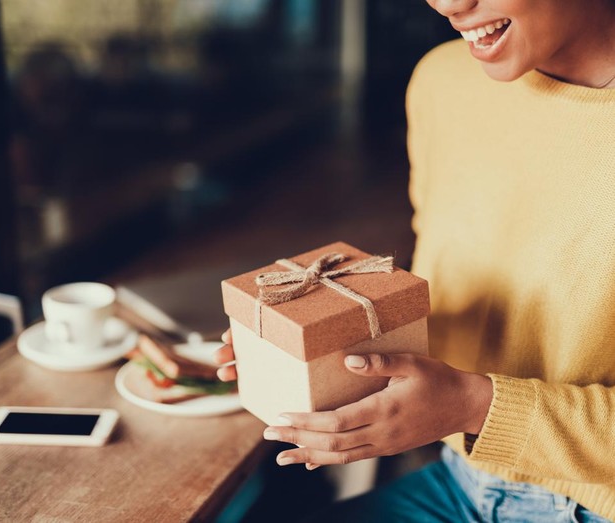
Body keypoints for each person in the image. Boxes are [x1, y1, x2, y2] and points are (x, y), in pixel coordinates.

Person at [215, 0, 615, 520]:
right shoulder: (444, 80)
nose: (449, 4)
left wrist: (474, 404)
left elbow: (470, 396)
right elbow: (456, 297)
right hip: (459, 481)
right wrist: (311, 344)